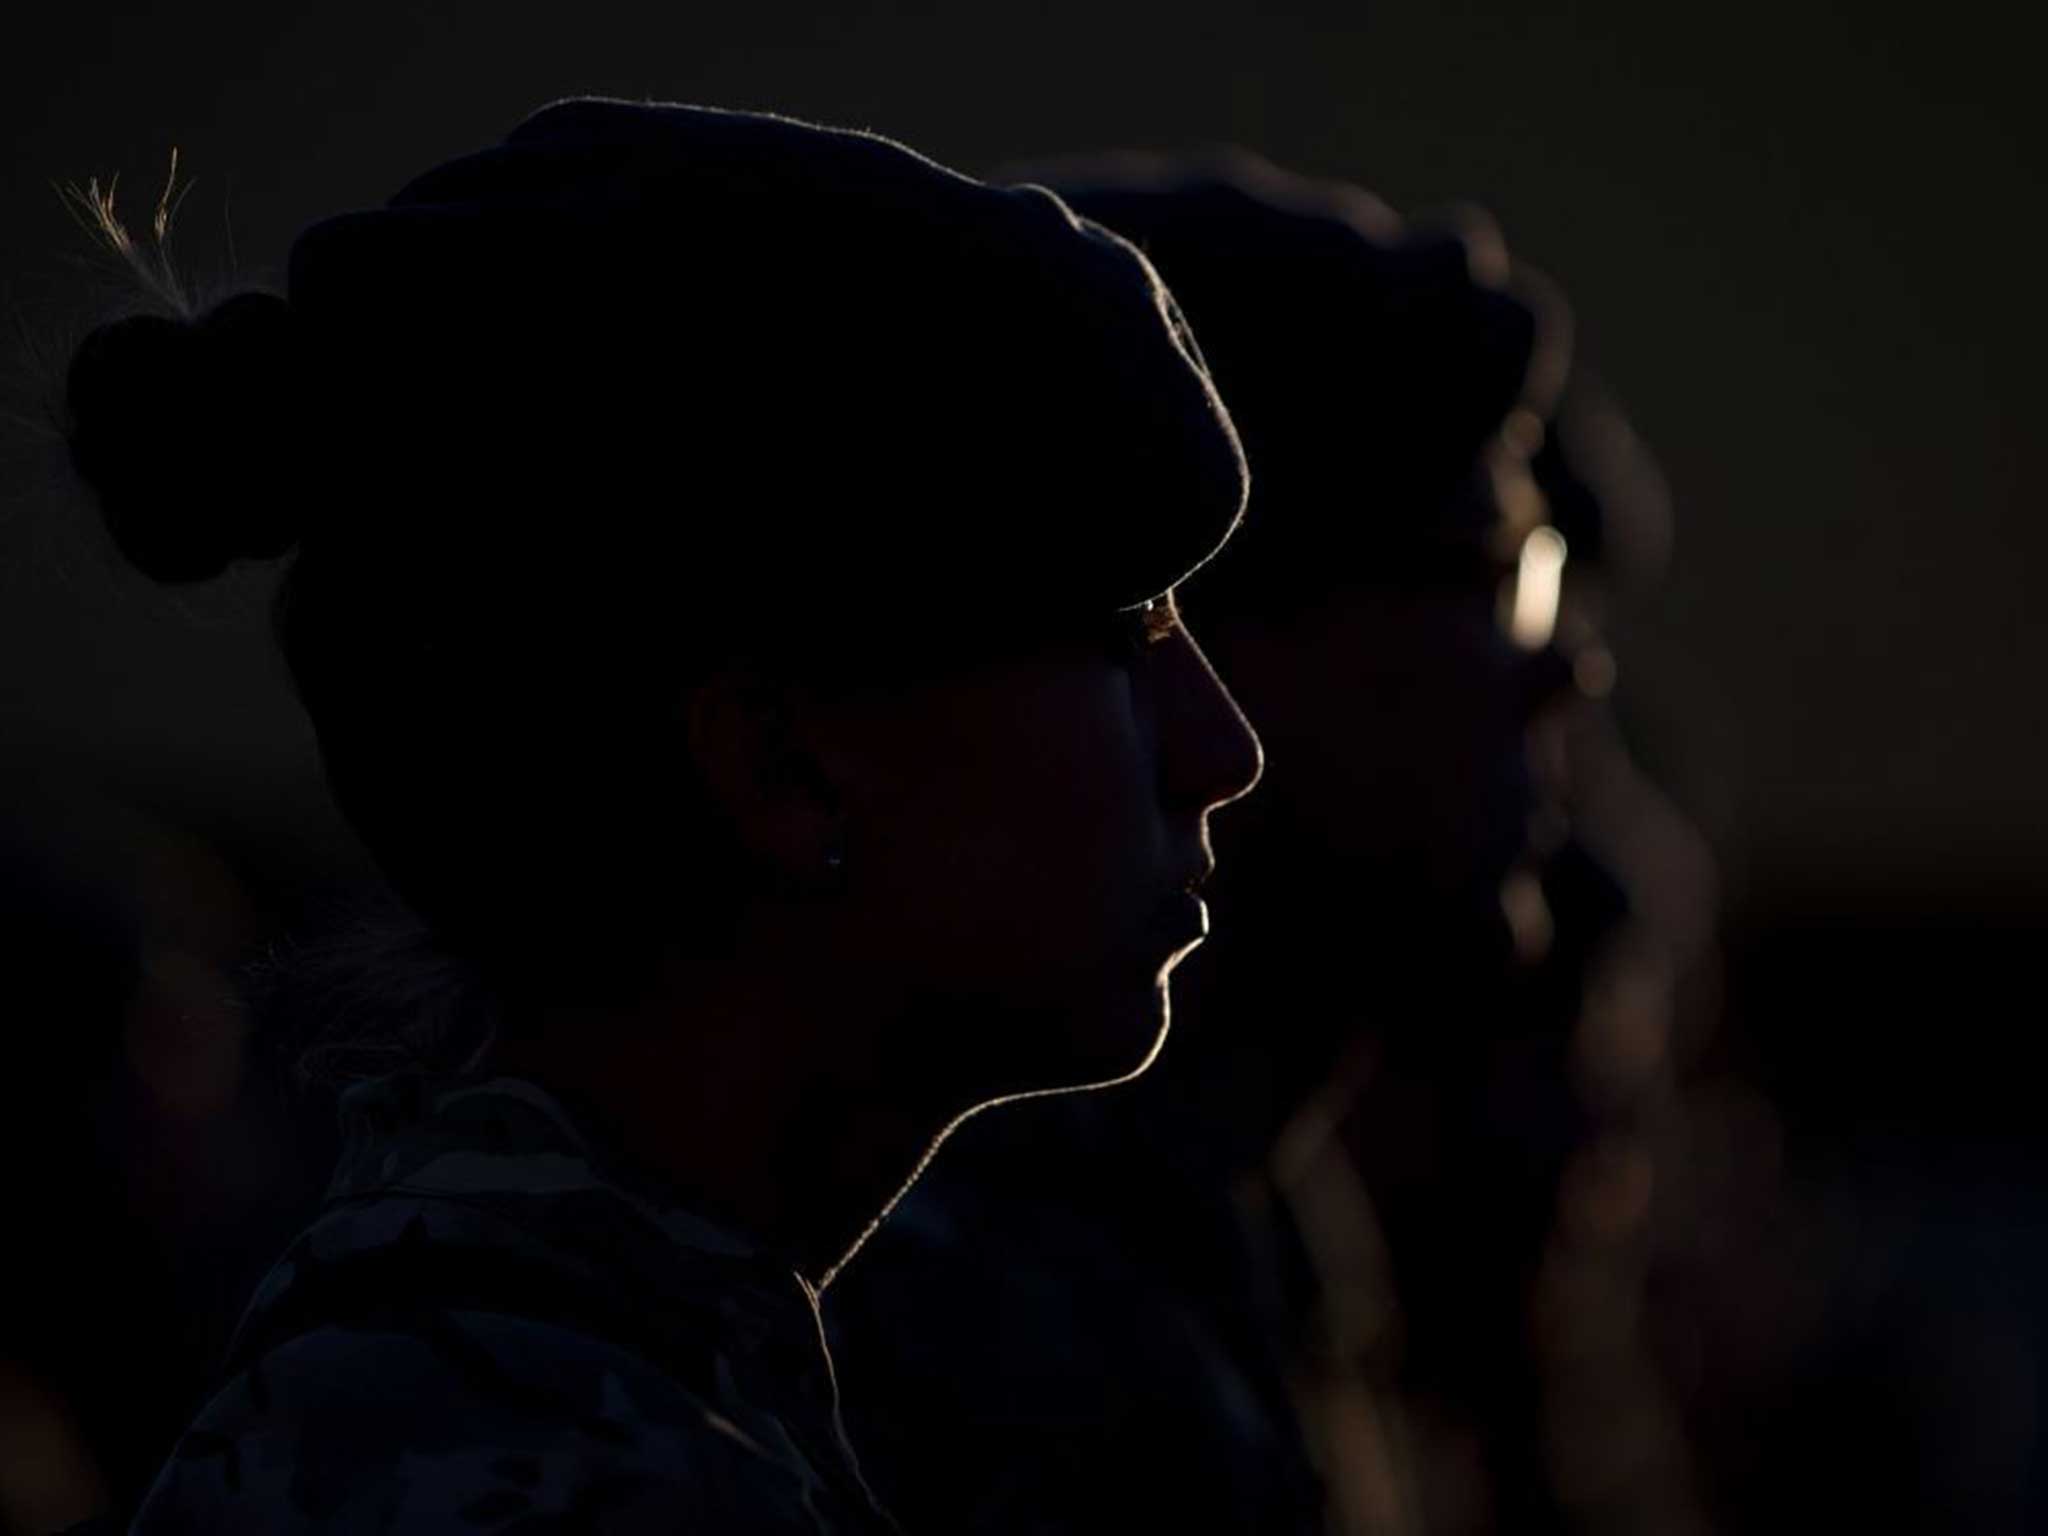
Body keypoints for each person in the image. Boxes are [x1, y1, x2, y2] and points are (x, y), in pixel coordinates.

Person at [58, 98, 1261, 1533]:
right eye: (1123, 636)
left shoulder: (571, 1394)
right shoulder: (555, 1475)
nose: (1223, 748)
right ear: (779, 767)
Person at [826, 152, 1580, 1535]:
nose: (1562, 673)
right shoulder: (968, 1320)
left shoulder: (1225, 1226)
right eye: (1499, 579)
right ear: (1207, 639)